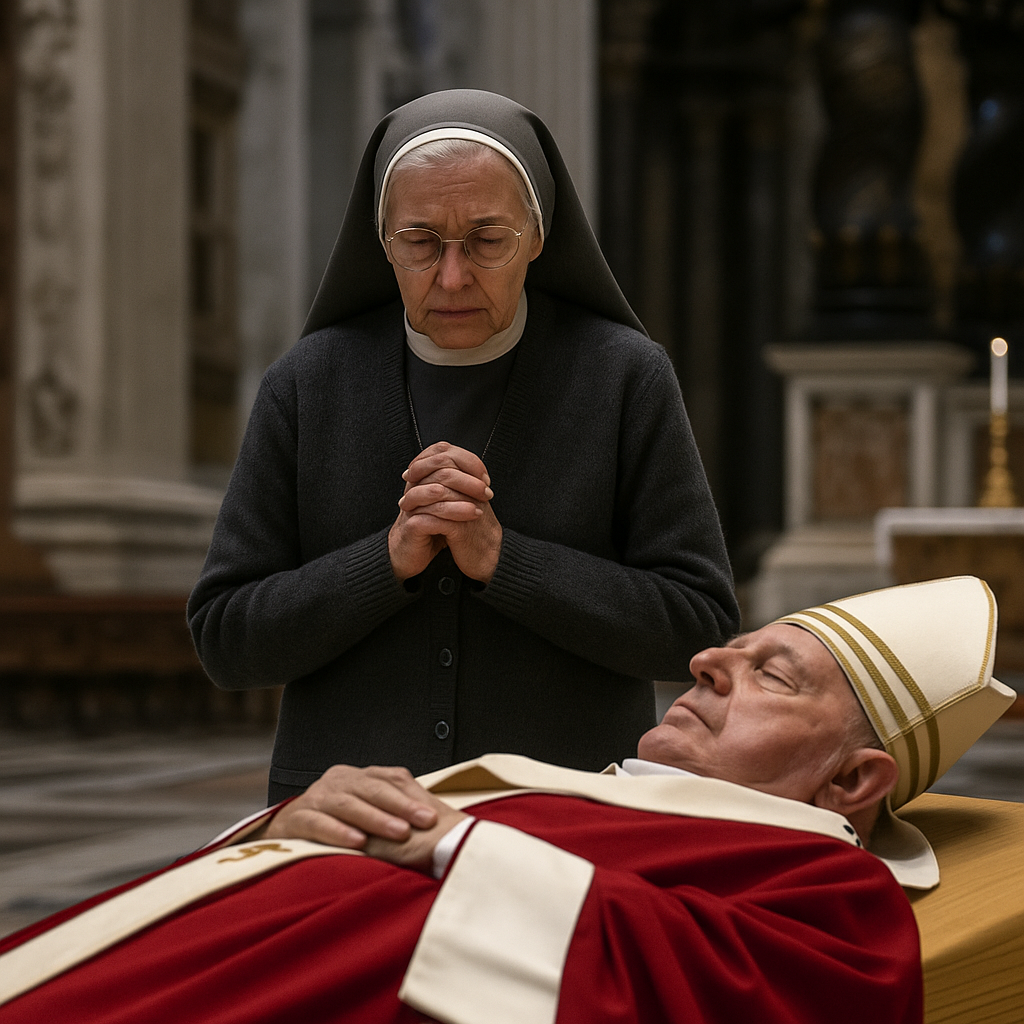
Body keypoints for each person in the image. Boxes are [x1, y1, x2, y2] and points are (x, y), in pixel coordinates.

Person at [0, 577, 1013, 1023]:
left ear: (850, 781)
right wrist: (291, 822)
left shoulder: (820, 874)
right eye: (729, 647)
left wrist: (451, 847)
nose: (705, 660)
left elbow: (770, 999)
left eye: (771, 675)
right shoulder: (605, 791)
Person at [186, 90, 740, 801]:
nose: (451, 277)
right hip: (345, 832)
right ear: (381, 240)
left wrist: (505, 562)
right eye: (419, 243)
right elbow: (226, 641)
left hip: (568, 818)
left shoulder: (623, 377)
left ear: (538, 235)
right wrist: (384, 561)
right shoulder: (307, 384)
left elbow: (697, 625)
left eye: (486, 239)